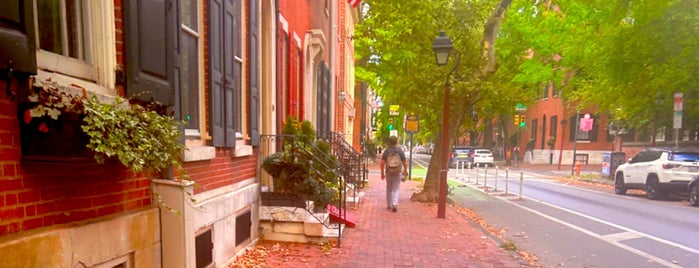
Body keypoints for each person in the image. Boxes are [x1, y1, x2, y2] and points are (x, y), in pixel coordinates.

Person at [380, 136, 408, 212]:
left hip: (389, 171)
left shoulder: (387, 151)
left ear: (390, 142)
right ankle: (395, 203)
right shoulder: (400, 151)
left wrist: (382, 173)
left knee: (389, 188)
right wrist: (405, 171)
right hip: (397, 172)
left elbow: (382, 163)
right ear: (396, 142)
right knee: (396, 188)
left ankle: (389, 204)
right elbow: (405, 163)